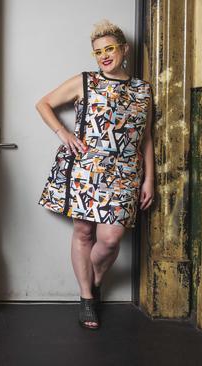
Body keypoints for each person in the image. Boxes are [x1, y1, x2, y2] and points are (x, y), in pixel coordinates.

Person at [36, 20, 154, 330]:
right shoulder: (85, 82)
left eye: (109, 49)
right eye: (98, 51)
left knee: (110, 238)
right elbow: (43, 103)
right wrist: (63, 132)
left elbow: (147, 137)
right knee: (84, 234)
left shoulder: (143, 90)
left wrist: (149, 178)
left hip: (127, 172)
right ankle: (87, 297)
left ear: (124, 50)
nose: (104, 56)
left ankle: (96, 279)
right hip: (86, 169)